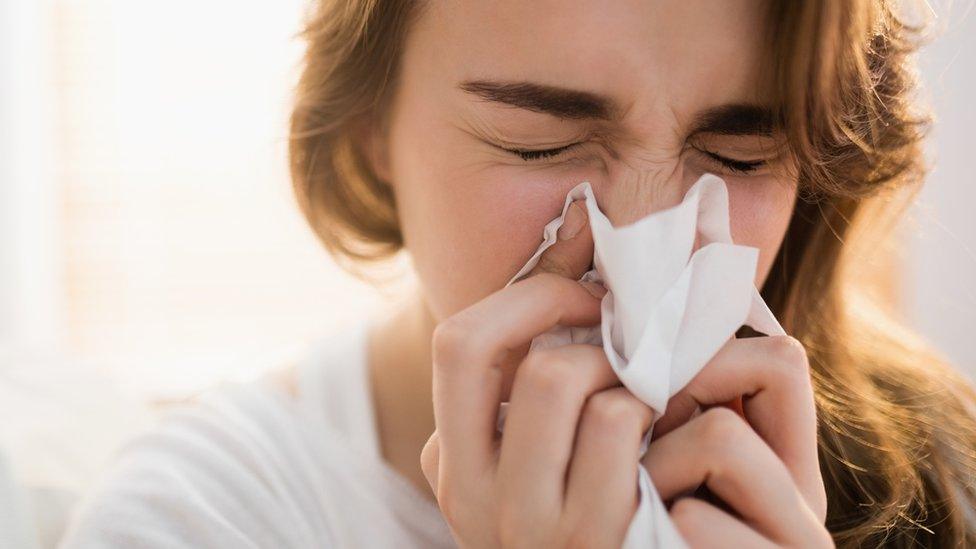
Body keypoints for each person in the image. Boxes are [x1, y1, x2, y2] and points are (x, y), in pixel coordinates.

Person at [60, 0, 976, 547]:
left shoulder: (938, 477)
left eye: (739, 154)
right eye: (542, 142)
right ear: (371, 127)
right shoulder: (199, 518)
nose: (643, 243)